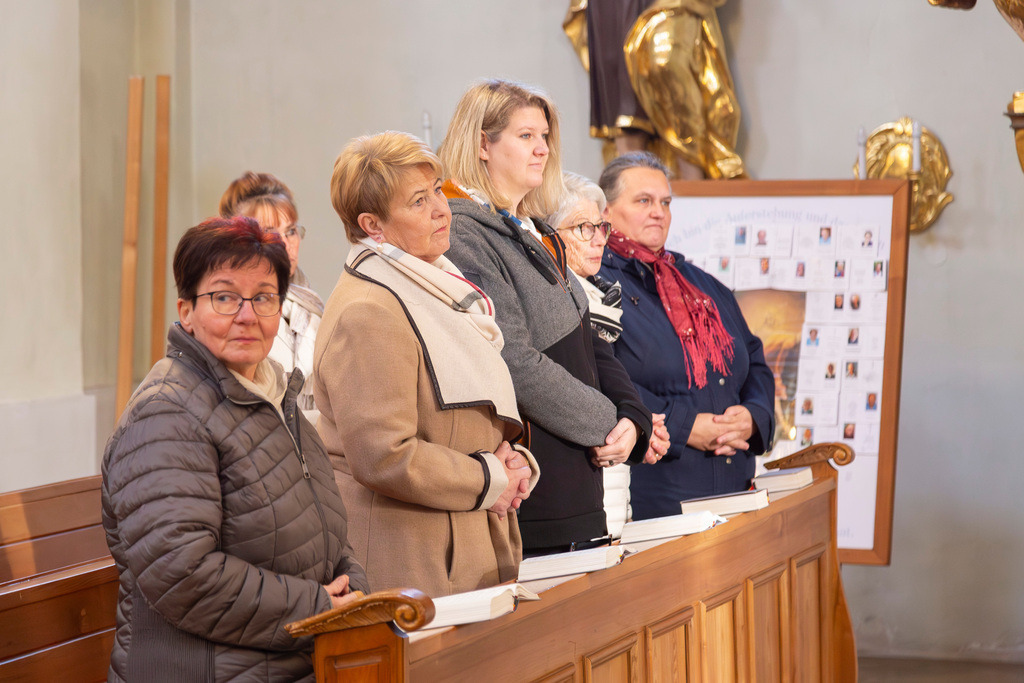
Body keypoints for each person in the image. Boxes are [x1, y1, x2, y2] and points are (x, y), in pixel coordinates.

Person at [101, 217, 368, 682]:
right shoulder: (167, 414)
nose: (247, 315)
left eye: (263, 297)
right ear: (186, 310)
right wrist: (320, 607)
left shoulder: (272, 395)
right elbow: (182, 574)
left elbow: (325, 536)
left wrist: (355, 590)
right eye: (224, 297)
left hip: (289, 659)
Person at [316, 131, 539, 596]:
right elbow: (385, 455)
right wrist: (489, 476)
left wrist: (513, 462)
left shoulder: (431, 282)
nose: (441, 208)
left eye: (437, 189)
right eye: (418, 201)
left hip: (466, 534)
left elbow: (468, 417)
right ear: (372, 225)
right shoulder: (368, 310)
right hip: (417, 558)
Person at [439, 79, 652, 553]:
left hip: (582, 473)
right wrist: (604, 422)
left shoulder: (530, 229)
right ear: (482, 144)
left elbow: (589, 337)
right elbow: (512, 358)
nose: (542, 149)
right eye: (526, 136)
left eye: (545, 137)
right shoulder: (465, 233)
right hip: (539, 486)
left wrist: (632, 419)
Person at [597, 151, 775, 518]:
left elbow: (754, 359)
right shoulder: (596, 286)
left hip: (737, 489)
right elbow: (600, 377)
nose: (658, 212)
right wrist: (684, 426)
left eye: (665, 202)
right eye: (643, 201)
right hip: (658, 497)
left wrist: (753, 416)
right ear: (606, 213)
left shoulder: (701, 285)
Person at [546, 171, 671, 537]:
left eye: (602, 227)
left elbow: (612, 376)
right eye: (583, 228)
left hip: (614, 470)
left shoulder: (602, 297)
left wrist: (640, 421)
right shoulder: (556, 300)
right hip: (574, 477)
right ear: (548, 236)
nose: (599, 239)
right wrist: (628, 423)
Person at [220, 172, 323, 413]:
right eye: (271, 233)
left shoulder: (310, 304)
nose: (286, 244)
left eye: (291, 231)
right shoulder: (233, 311)